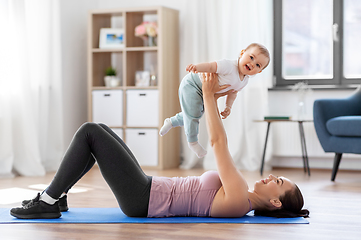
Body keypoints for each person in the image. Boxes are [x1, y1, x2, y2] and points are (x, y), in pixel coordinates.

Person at [10, 73, 309, 220]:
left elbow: (218, 142)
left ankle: (47, 203)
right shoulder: (241, 197)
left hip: (143, 199)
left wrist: (207, 94)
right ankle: (59, 197)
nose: (272, 177)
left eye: (278, 182)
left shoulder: (239, 200)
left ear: (276, 203)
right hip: (150, 187)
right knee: (98, 131)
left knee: (89, 132)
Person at [159, 43, 270, 158]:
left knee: (193, 114)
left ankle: (171, 122)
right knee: (194, 114)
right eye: (251, 57)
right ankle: (192, 142)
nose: (252, 64)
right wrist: (196, 67)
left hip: (204, 92)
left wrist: (228, 107)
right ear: (242, 53)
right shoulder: (229, 66)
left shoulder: (244, 81)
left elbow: (233, 93)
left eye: (257, 65)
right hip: (193, 84)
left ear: (259, 71)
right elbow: (211, 66)